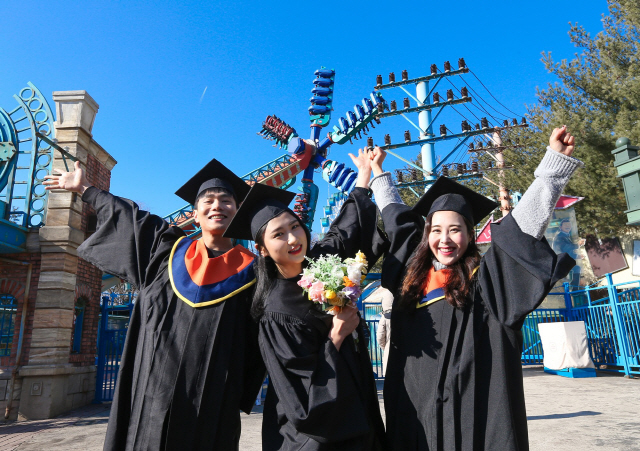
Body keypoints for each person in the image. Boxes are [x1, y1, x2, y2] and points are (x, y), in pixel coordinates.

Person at [368, 126, 582, 450]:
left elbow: (518, 234)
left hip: (474, 421)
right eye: (436, 230)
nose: (444, 239)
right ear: (427, 236)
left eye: (455, 230)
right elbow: (397, 221)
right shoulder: (410, 284)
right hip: (415, 420)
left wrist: (551, 170)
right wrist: (378, 175)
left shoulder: (487, 283)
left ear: (469, 235)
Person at [44, 159, 265, 450]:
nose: (217, 206)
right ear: (195, 215)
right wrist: (85, 188)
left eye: (227, 201)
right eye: (208, 201)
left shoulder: (255, 273)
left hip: (212, 399)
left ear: (237, 213)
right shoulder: (164, 251)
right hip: (151, 394)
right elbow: (128, 218)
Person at [223, 149, 388, 450]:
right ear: (261, 249)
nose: (293, 239)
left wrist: (365, 173)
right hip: (319, 436)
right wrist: (336, 337)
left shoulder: (321, 262)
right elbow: (301, 396)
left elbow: (345, 229)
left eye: (295, 226)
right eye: (279, 235)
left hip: (360, 405)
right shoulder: (276, 312)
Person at [553, 218, 585, 287]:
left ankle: (573, 287)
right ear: (560, 227)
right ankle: (573, 287)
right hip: (561, 261)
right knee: (575, 269)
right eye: (566, 225)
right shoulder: (560, 237)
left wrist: (577, 256)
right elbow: (566, 248)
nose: (568, 226)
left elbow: (568, 252)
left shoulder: (566, 236)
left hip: (564, 259)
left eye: (569, 225)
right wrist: (577, 244)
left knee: (576, 268)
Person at [374, 287, 394, 376]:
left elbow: (380, 336)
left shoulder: (385, 318)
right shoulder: (406, 317)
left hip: (390, 350)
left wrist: (385, 347)